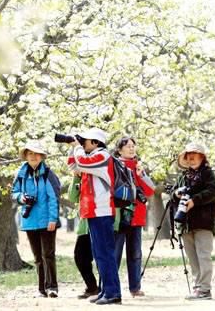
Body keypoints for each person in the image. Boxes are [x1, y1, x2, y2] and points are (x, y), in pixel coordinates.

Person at [67, 127, 122, 305]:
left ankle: (113, 292)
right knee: (99, 254)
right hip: (93, 211)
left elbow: (81, 162)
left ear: (96, 142)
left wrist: (77, 147)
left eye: (85, 141)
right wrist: (72, 147)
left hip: (102, 211)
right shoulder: (91, 157)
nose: (82, 143)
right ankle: (106, 290)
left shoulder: (103, 156)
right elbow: (73, 166)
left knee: (105, 254)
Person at [11, 139, 60, 298]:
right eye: (30, 153)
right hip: (30, 220)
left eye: (36, 153)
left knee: (48, 255)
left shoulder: (48, 174)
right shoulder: (20, 174)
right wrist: (21, 198)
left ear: (41, 156)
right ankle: (41, 289)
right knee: (38, 257)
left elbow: (54, 198)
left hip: (47, 221)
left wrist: (53, 219)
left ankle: (52, 287)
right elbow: (14, 193)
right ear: (25, 155)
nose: (33, 156)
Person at [172, 143, 215, 300]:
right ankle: (197, 287)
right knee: (192, 257)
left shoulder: (208, 174)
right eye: (188, 155)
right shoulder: (183, 176)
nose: (191, 158)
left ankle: (205, 289)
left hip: (204, 222)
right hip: (185, 223)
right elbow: (173, 194)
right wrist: (177, 194)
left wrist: (194, 201)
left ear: (202, 157)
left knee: (203, 255)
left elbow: (213, 192)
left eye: (194, 154)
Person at [113, 136, 155, 297]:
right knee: (115, 253)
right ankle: (111, 286)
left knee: (135, 253)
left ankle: (135, 287)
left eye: (133, 146)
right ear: (119, 149)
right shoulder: (115, 165)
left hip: (136, 217)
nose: (131, 149)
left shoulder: (138, 166)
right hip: (119, 215)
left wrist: (141, 175)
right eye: (128, 146)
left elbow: (150, 191)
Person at [68, 172, 100, 299]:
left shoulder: (100, 173)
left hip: (100, 222)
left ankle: (106, 289)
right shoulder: (81, 177)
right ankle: (92, 287)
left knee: (101, 259)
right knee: (80, 257)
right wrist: (76, 176)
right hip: (84, 225)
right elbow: (72, 197)